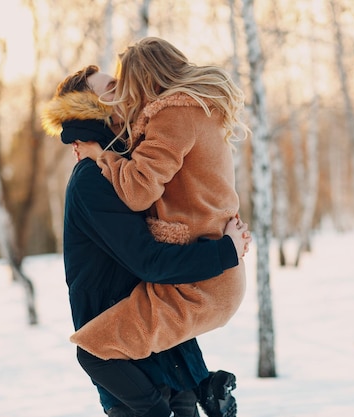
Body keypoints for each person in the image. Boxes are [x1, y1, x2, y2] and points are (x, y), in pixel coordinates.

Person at [41, 66, 249, 417]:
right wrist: (224, 251)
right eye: (111, 87)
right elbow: (149, 261)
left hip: (161, 347)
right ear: (91, 107)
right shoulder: (93, 179)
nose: (123, 89)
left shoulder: (128, 169)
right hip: (124, 356)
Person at [70, 37, 249, 366]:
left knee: (94, 349)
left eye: (123, 85)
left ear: (143, 80)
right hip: (208, 273)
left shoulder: (174, 115)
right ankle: (206, 391)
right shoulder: (196, 109)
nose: (122, 96)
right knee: (140, 353)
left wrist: (102, 157)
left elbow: (138, 193)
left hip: (199, 280)